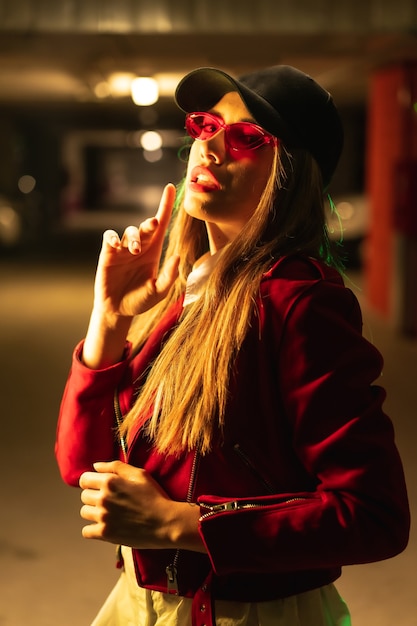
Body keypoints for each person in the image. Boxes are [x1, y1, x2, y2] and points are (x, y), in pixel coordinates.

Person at [56, 65, 410, 626]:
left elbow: (373, 515)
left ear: (290, 175)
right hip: (140, 605)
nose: (210, 147)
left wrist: (179, 524)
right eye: (205, 125)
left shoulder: (299, 302)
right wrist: (109, 321)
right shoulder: (188, 284)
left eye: (247, 138)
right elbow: (85, 470)